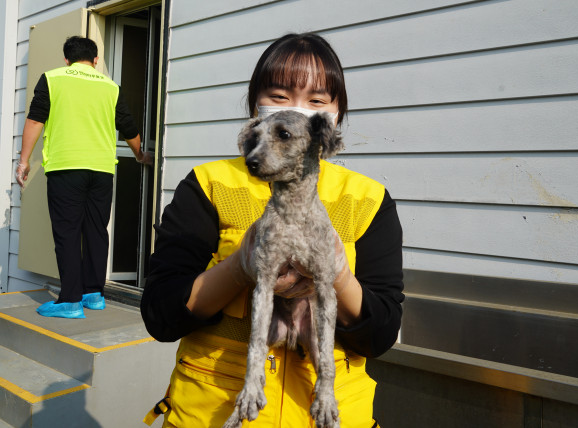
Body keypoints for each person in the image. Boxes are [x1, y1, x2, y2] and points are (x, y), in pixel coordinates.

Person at [141, 33, 404, 428]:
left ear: (335, 114)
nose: (298, 110)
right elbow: (160, 314)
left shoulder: (367, 198)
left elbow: (381, 334)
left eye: (317, 100)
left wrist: (339, 276)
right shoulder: (208, 185)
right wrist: (237, 268)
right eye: (280, 96)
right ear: (256, 105)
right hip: (214, 412)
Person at [17, 36, 152, 319]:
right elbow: (127, 125)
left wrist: (24, 160)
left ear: (66, 59)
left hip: (66, 167)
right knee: (95, 230)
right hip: (102, 169)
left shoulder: (53, 78)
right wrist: (140, 155)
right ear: (96, 60)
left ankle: (69, 301)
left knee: (67, 232)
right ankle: (94, 294)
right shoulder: (110, 86)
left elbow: (35, 119)